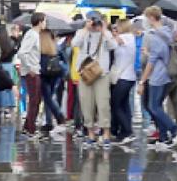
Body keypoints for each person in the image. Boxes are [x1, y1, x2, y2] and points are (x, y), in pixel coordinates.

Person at [137, 7, 177, 149]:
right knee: (157, 105)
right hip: (167, 74)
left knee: (153, 106)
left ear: (151, 18)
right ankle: (162, 136)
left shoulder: (154, 36)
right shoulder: (167, 33)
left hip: (157, 76)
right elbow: (162, 56)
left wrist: (142, 81)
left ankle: (174, 129)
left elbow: (151, 62)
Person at [73, 11, 116, 148]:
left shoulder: (105, 33)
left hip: (102, 73)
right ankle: (90, 133)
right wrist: (86, 29)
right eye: (91, 20)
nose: (93, 23)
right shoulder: (82, 32)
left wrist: (104, 30)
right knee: (86, 104)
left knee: (103, 104)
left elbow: (113, 46)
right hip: (85, 73)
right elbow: (75, 43)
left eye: (96, 20)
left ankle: (106, 133)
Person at [17, 13, 45, 138]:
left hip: (34, 70)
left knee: (36, 99)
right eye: (44, 21)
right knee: (34, 100)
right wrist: (29, 68)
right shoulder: (32, 35)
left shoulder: (34, 35)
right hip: (32, 71)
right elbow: (22, 53)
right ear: (39, 22)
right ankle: (31, 130)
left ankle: (27, 127)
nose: (45, 23)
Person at [109, 18, 137, 143]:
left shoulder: (125, 38)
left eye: (117, 26)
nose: (116, 29)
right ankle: (125, 130)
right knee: (124, 105)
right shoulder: (131, 38)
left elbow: (114, 42)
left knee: (116, 104)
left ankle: (127, 130)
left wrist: (108, 32)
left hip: (123, 77)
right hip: (129, 76)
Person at [39, 28, 67, 136]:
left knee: (48, 98)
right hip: (55, 74)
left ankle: (59, 117)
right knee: (49, 97)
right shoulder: (56, 47)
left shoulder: (40, 48)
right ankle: (49, 121)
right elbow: (64, 61)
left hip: (44, 75)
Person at [0, 24, 18, 119]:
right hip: (9, 66)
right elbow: (15, 52)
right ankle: (8, 107)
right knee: (9, 87)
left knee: (0, 87)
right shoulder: (11, 43)